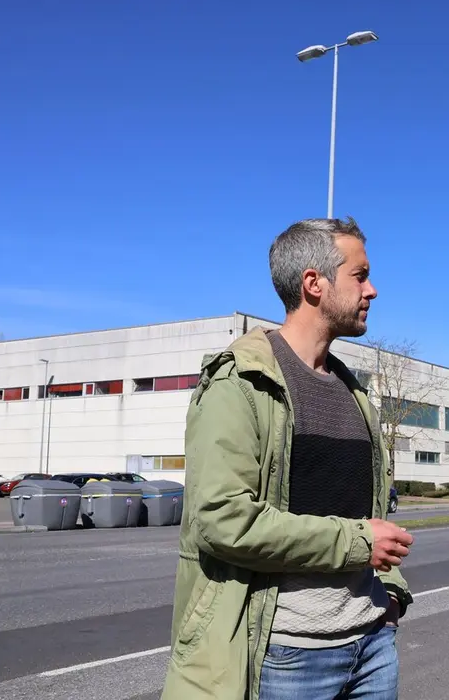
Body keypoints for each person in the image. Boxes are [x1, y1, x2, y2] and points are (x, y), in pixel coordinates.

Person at [162, 218, 414, 700]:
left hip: (374, 645)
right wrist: (359, 543)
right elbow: (221, 518)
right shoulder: (241, 383)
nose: (373, 290)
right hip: (290, 657)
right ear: (313, 284)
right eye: (360, 276)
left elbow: (371, 515)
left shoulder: (353, 392)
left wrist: (392, 595)